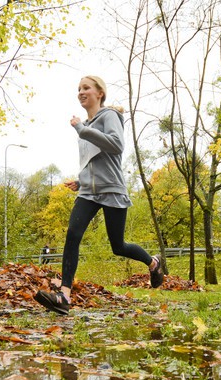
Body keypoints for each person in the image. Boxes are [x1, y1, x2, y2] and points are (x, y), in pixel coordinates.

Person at [33, 75, 164, 315]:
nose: (81, 92)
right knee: (72, 235)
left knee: (118, 246)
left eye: (86, 88)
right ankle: (64, 296)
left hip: (112, 189)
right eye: (78, 89)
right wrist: (81, 179)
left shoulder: (109, 116)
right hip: (89, 192)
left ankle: (153, 262)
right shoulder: (86, 125)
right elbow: (95, 162)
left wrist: (81, 129)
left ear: (99, 93)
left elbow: (116, 145)